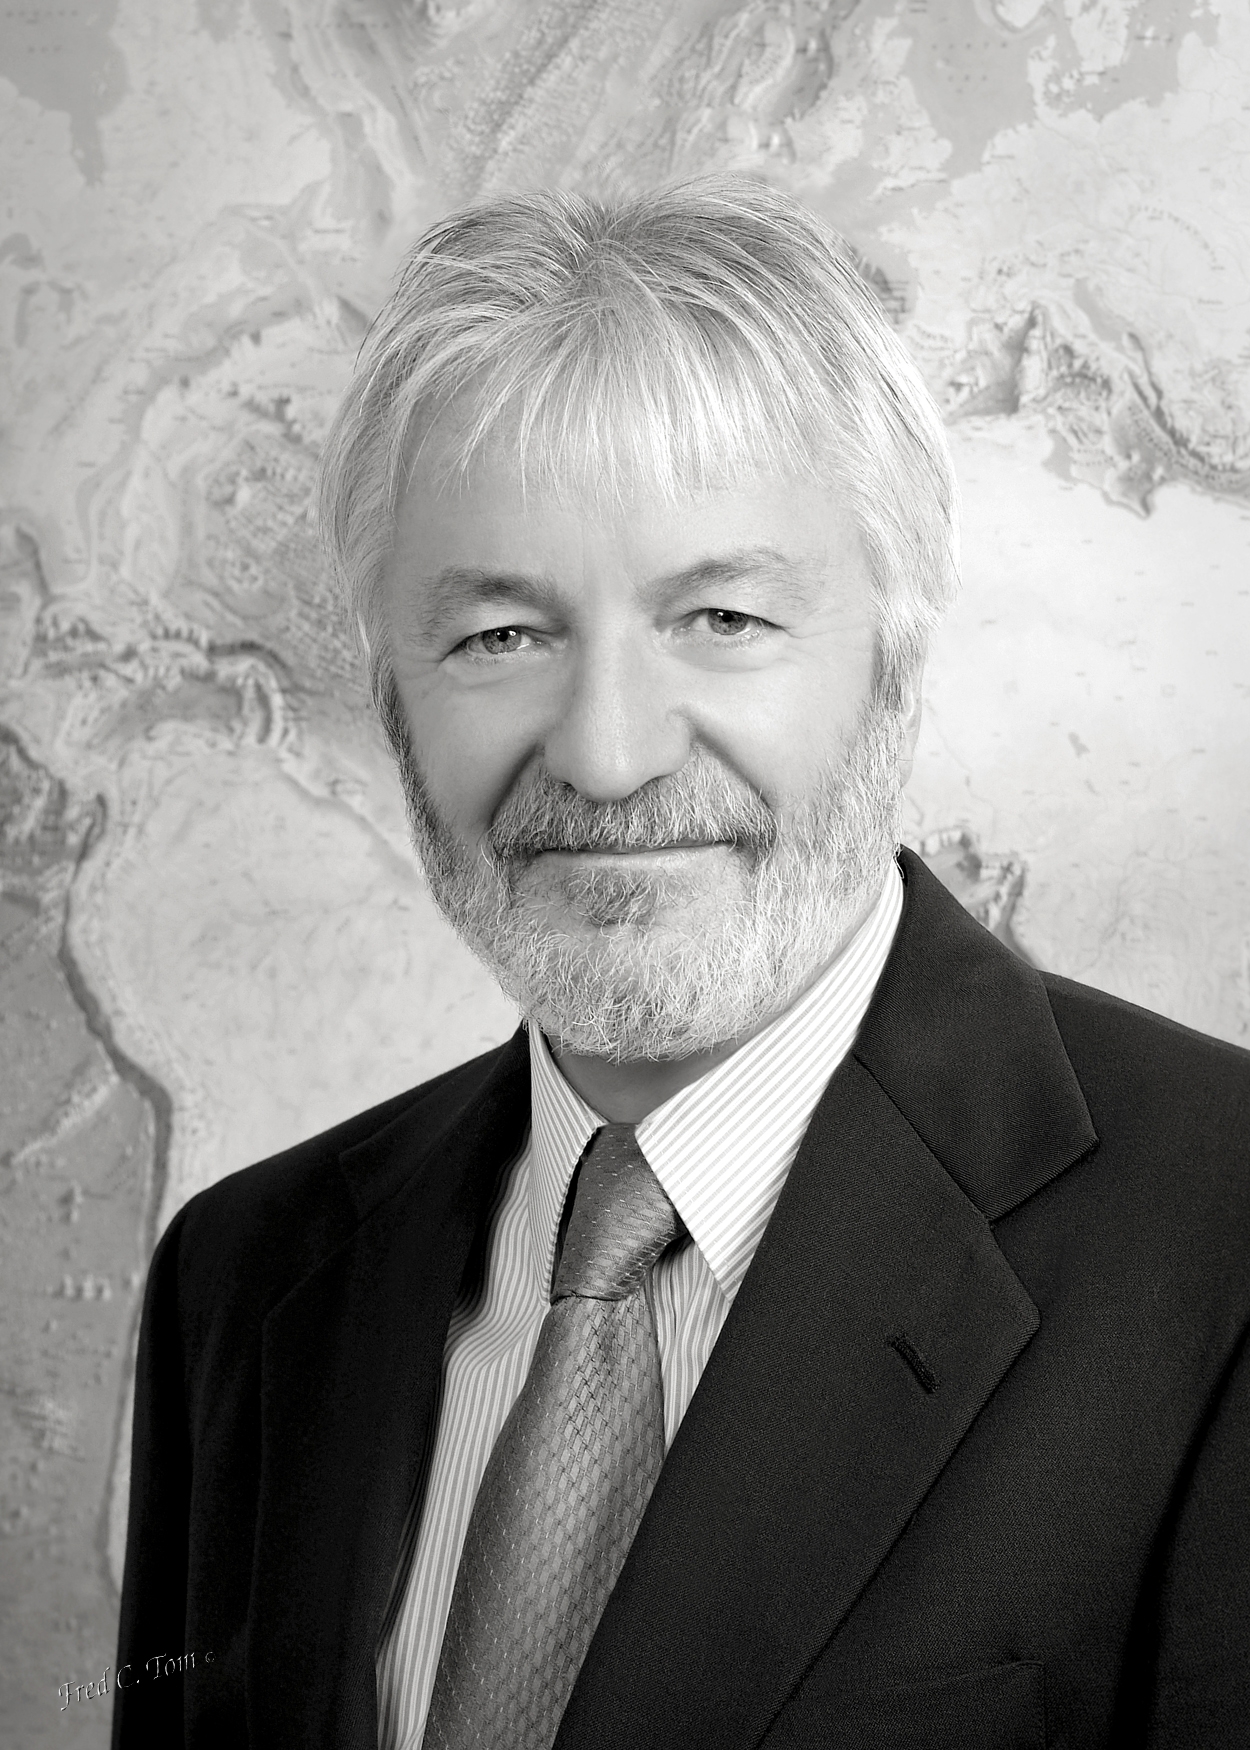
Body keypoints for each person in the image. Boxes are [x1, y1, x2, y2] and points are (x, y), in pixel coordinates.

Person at [112, 178, 1249, 1750]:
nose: (605, 753)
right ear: (392, 700)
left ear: (897, 662)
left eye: (717, 616)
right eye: (500, 636)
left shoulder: (1221, 1238)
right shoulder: (242, 1278)